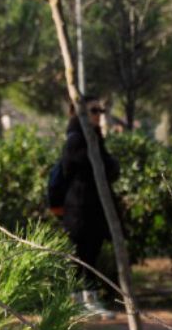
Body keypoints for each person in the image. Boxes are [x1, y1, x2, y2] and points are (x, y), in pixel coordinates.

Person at [48, 95, 121, 318]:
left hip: (94, 209)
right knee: (82, 256)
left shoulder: (95, 138)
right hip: (79, 210)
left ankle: (87, 300)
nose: (99, 115)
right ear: (79, 114)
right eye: (94, 111)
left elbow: (110, 168)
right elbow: (90, 168)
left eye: (101, 110)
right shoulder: (76, 140)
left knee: (91, 255)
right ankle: (81, 302)